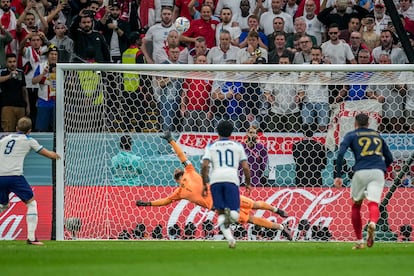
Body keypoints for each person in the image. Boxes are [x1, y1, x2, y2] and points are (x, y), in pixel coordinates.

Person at [136, 131, 289, 239]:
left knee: (252, 211)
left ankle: (279, 217)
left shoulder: (186, 178)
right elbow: (164, 200)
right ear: (178, 177)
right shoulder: (183, 184)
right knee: (252, 213)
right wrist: (148, 204)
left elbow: (180, 156)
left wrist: (171, 140)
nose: (177, 170)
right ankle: (280, 222)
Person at [334, 113, 393, 249]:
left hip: (360, 171)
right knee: (373, 203)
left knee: (356, 205)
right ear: (368, 124)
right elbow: (389, 157)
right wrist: (383, 169)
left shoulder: (351, 135)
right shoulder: (377, 135)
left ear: (355, 123)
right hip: (378, 171)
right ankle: (372, 222)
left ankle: (360, 241)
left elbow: (341, 153)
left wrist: (338, 175)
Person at [0, 117, 61, 245]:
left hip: (1, 176)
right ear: (29, 130)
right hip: (15, 176)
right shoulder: (29, 140)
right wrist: (56, 155)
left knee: (4, 205)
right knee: (31, 204)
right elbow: (48, 154)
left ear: (16, 128)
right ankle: (31, 238)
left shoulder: (4, 139)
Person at [201, 120, 251, 248]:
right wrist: (248, 183)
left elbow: (205, 165)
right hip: (231, 179)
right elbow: (245, 167)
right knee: (235, 214)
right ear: (231, 132)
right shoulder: (237, 146)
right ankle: (231, 216)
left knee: (220, 213)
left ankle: (230, 240)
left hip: (215, 180)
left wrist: (204, 183)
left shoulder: (211, 146)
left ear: (217, 131)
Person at [0, 53, 29, 132]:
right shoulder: (2, 72)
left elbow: (24, 90)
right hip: (7, 106)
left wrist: (27, 105)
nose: (12, 64)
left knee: (22, 131)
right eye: (10, 62)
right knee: (8, 130)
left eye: (14, 61)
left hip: (20, 106)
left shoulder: (21, 72)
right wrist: (9, 76)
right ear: (6, 63)